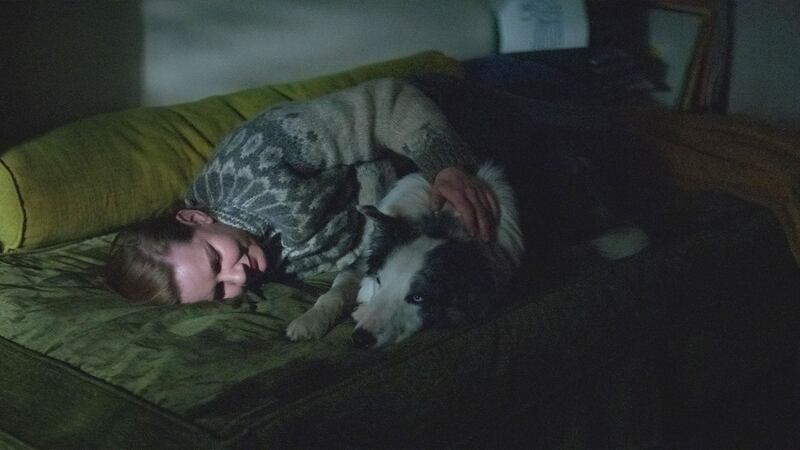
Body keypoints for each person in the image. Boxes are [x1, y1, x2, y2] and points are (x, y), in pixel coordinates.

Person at [105, 77, 503, 308]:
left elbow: (387, 104)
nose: (238, 278)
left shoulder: (259, 156)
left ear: (194, 218)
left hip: (445, 121)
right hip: (412, 207)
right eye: (220, 290)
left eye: (215, 260)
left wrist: (446, 165)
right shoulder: (252, 261)